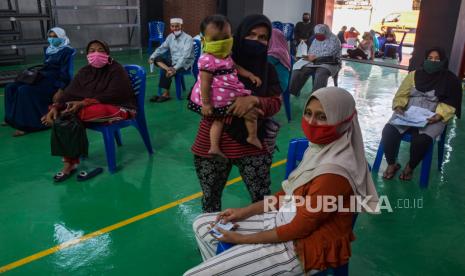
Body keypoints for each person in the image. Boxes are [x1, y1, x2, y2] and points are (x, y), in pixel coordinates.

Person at [184, 87, 379, 276]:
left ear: (343, 120)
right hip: (283, 219)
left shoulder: (335, 172)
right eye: (309, 113)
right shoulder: (320, 148)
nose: (311, 122)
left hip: (301, 245)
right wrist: (242, 212)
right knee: (202, 225)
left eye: (322, 117)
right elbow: (286, 196)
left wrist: (243, 239)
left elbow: (299, 228)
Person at [191, 14, 282, 212]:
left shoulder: (268, 70)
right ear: (238, 36)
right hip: (212, 142)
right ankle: (210, 238)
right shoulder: (217, 61)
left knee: (261, 197)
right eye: (251, 35)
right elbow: (199, 97)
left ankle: (262, 237)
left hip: (252, 142)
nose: (256, 41)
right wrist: (223, 106)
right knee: (210, 199)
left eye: (262, 37)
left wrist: (254, 100)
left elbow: (276, 103)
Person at [42, 40, 136, 182]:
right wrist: (56, 107)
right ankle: (69, 163)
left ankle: (69, 159)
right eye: (92, 50)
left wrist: (81, 103)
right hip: (88, 108)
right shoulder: (85, 72)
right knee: (70, 115)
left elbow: (116, 94)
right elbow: (69, 93)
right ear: (87, 54)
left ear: (107, 53)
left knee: (71, 115)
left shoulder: (116, 69)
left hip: (119, 107)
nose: (96, 53)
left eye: (100, 50)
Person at [380, 47, 462, 180]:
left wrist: (439, 115)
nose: (433, 61)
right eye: (430, 58)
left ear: (443, 61)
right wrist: (399, 106)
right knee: (388, 131)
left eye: (437, 59)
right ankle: (392, 164)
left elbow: (450, 102)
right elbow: (402, 93)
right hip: (409, 112)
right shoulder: (414, 75)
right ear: (425, 59)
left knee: (422, 140)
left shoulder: (450, 80)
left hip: (434, 115)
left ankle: (410, 167)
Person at [188, 15, 263, 157]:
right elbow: (204, 82)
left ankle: (251, 136)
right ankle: (215, 146)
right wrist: (206, 103)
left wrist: (250, 75)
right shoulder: (207, 59)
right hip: (217, 97)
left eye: (225, 37)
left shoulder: (226, 55)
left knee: (243, 112)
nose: (221, 42)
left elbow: (236, 66)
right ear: (204, 40)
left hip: (231, 90)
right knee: (220, 120)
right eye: (215, 40)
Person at [3, 27, 74, 137]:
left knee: (24, 90)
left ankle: (26, 125)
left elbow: (66, 73)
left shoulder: (67, 51)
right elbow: (45, 66)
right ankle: (10, 118)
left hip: (54, 81)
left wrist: (60, 89)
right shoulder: (49, 49)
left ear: (62, 37)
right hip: (43, 77)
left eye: (55, 37)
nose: (52, 39)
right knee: (10, 87)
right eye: (50, 36)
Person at [149, 18, 194, 103]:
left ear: (182, 27)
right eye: (173, 26)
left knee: (168, 68)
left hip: (185, 64)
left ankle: (166, 94)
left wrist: (175, 68)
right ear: (170, 27)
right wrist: (152, 56)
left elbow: (185, 56)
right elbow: (162, 48)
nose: (175, 28)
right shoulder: (170, 37)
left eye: (177, 26)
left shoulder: (188, 38)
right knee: (157, 59)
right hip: (173, 62)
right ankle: (168, 70)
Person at [289, 24, 341, 95]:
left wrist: (315, 57)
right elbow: (311, 52)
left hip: (329, 63)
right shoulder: (316, 40)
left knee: (320, 73)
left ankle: (317, 96)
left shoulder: (335, 40)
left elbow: (330, 54)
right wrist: (305, 57)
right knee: (299, 70)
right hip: (314, 62)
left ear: (326, 32)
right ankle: (292, 92)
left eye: (320, 34)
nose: (318, 36)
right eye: (316, 34)